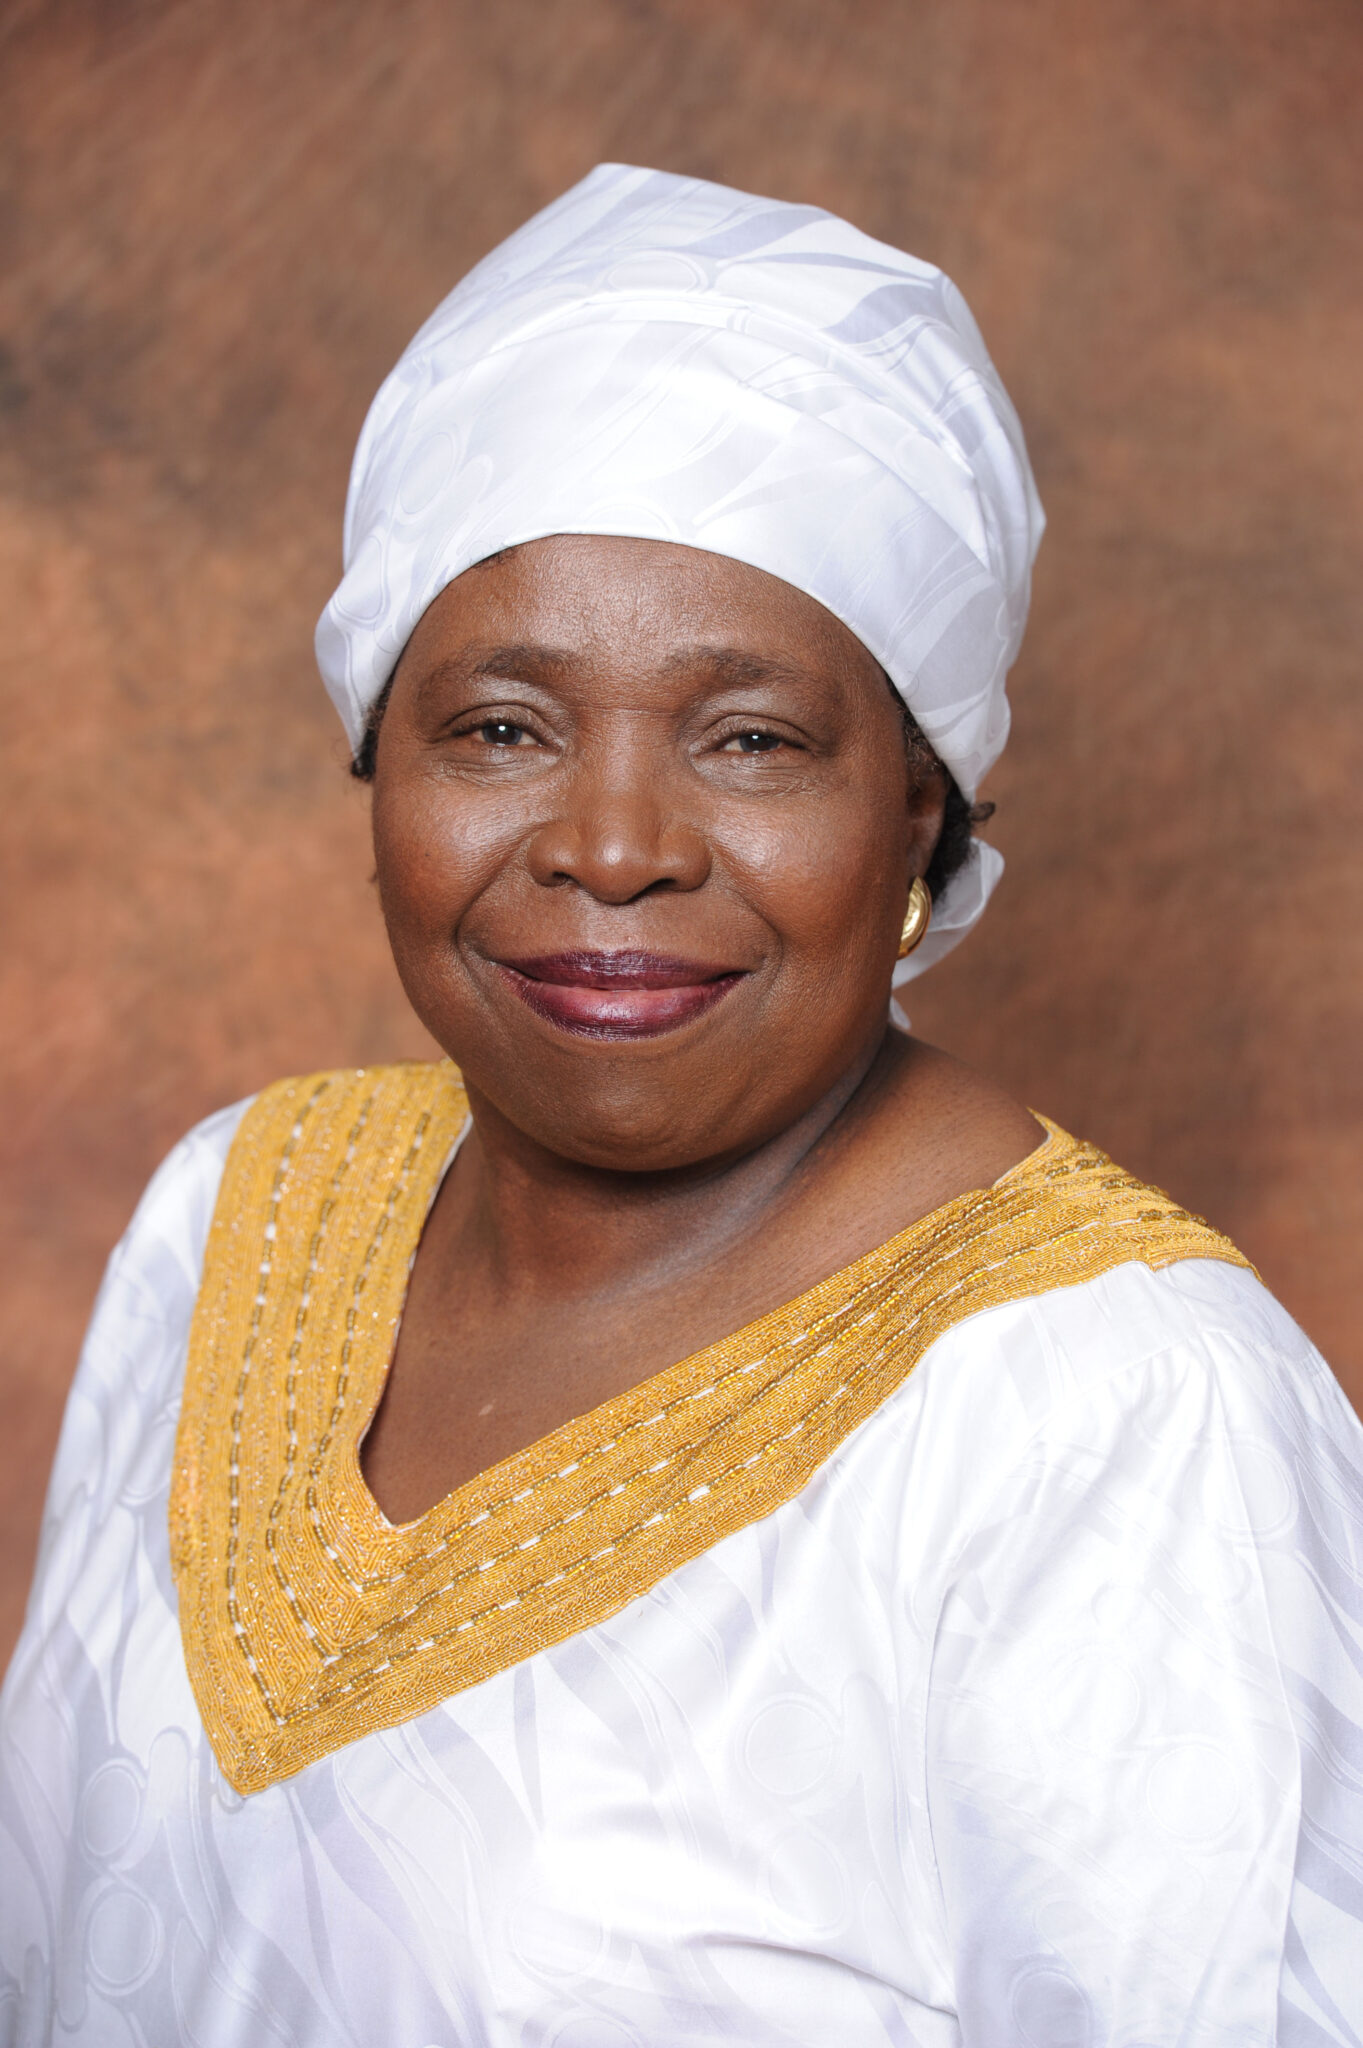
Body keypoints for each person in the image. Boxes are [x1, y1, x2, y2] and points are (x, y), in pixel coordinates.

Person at [1, 163, 1360, 2048]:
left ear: (919, 808)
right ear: (375, 764)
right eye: (501, 727)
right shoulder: (235, 1209)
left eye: (753, 740)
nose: (614, 846)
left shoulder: (1118, 1412)